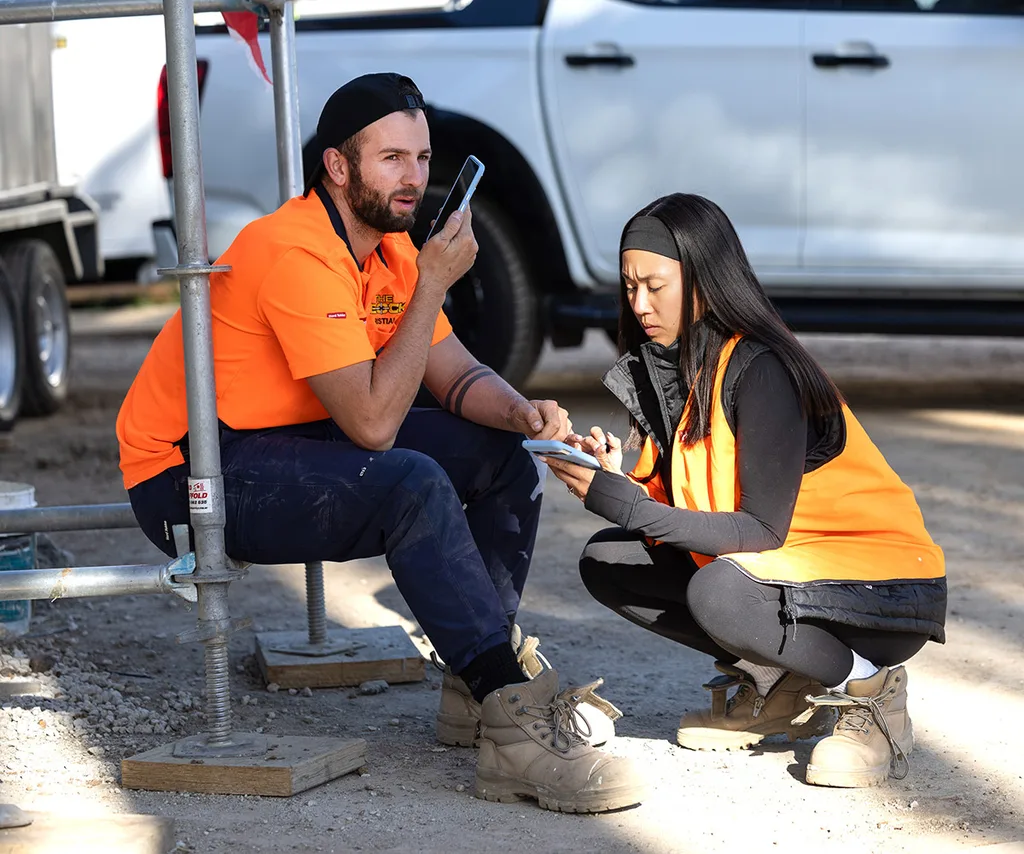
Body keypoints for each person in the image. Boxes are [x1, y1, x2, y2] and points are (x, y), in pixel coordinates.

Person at [116, 73, 641, 812]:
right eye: (391, 158)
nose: (414, 178)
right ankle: (512, 724)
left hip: (286, 439)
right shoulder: (294, 251)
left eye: (422, 159)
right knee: (410, 482)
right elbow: (372, 425)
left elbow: (455, 376)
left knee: (503, 459)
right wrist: (432, 286)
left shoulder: (390, 251)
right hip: (191, 471)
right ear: (338, 166)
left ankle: (479, 681)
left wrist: (524, 415)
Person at [544, 193, 946, 789]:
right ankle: (782, 683)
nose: (639, 304)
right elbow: (693, 508)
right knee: (608, 560)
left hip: (882, 589)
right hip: (788, 576)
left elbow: (759, 530)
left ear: (704, 281)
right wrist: (613, 479)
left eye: (655, 286)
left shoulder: (762, 368)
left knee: (720, 593)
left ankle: (870, 689)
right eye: (629, 287)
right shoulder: (674, 367)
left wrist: (630, 506)